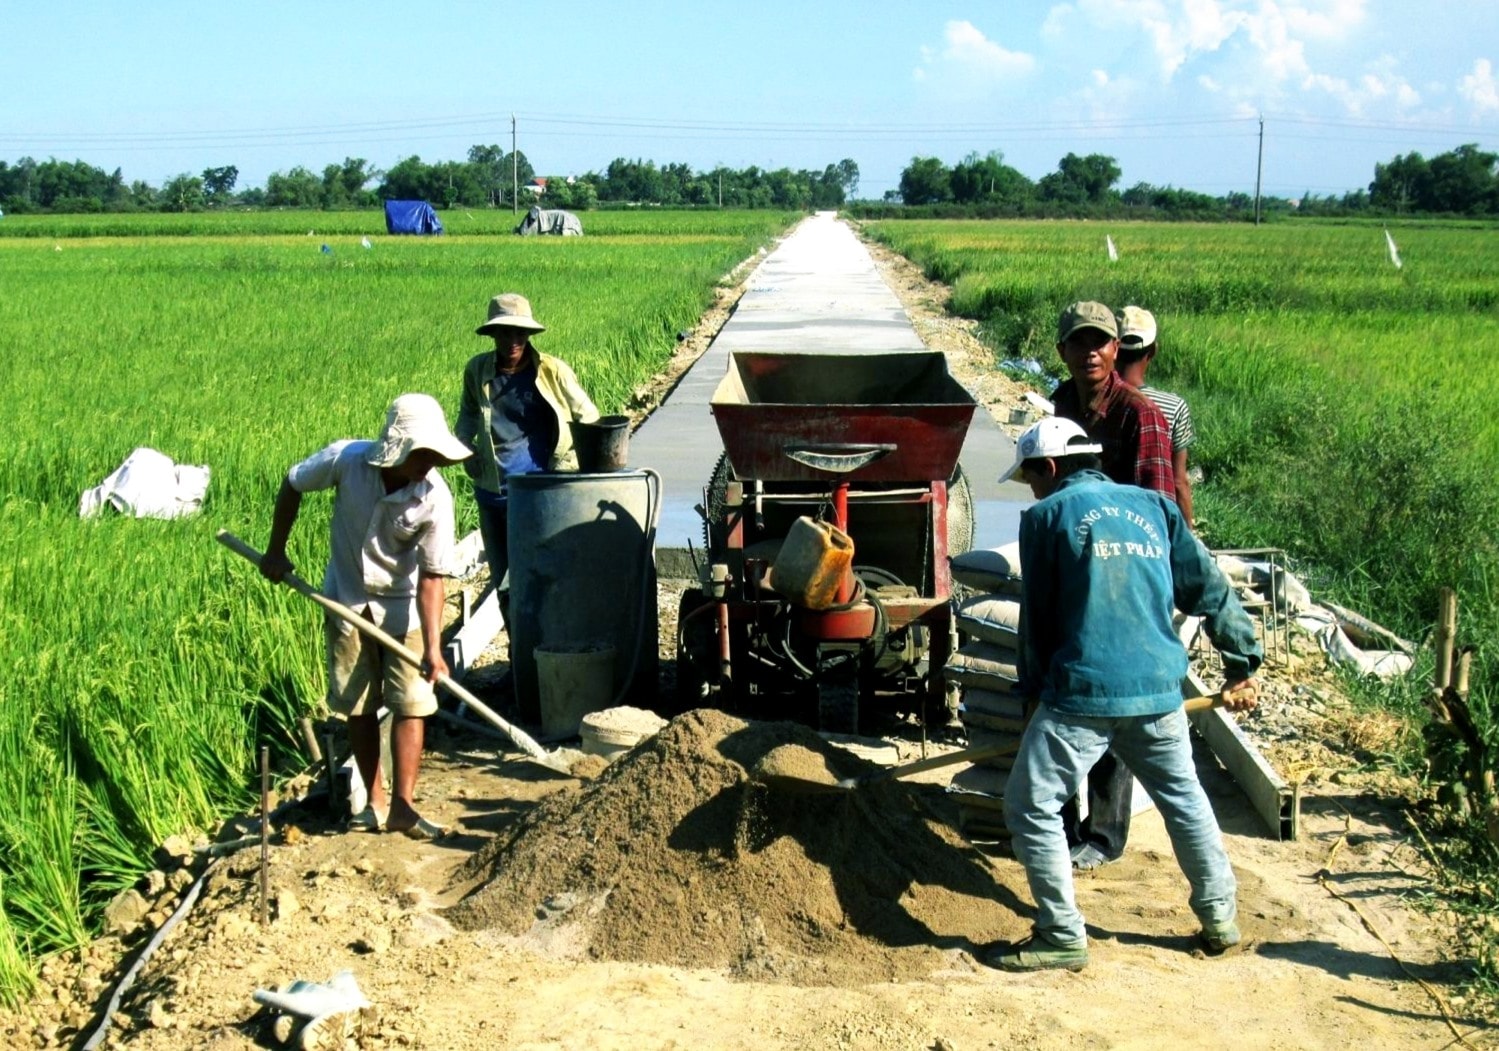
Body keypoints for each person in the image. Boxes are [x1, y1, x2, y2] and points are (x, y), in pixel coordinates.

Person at [987, 416, 1262, 972]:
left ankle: (1061, 935)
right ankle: (1219, 918)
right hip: (1160, 690)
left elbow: (1037, 621)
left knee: (1029, 805)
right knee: (1184, 799)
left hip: (1082, 694)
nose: (1032, 489)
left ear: (1049, 467)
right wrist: (1242, 664)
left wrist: (1033, 694)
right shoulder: (1155, 508)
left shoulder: (1045, 517)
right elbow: (1209, 587)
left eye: (1032, 477)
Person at [261, 393, 470, 839]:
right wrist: (276, 551)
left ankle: (403, 807)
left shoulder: (435, 497)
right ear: (397, 448)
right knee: (358, 704)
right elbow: (292, 483)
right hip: (348, 598)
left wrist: (434, 646)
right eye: (422, 453)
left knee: (412, 704)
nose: (430, 463)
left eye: (435, 454)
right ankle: (372, 803)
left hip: (403, 606)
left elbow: (433, 577)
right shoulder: (346, 462)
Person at [1050, 301, 1179, 871]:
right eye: (1079, 343)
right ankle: (1061, 818)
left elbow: (1158, 508)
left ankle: (1103, 835)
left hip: (1125, 562)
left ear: (1116, 349)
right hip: (1078, 559)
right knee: (1065, 684)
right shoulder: (1061, 402)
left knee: (1113, 691)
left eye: (1100, 343)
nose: (1091, 354)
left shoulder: (1140, 416)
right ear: (1064, 351)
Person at [455, 293, 599, 627]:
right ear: (493, 335)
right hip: (493, 492)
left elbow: (588, 417)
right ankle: (517, 654)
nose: (513, 341)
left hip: (539, 493)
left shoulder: (551, 371)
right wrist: (463, 448)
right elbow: (466, 415)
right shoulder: (477, 370)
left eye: (520, 333)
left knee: (545, 575)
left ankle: (548, 645)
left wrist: (577, 465)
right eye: (505, 333)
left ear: (529, 336)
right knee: (504, 582)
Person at [1116, 305, 1196, 528]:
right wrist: (1187, 536)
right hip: (1150, 520)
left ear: (1113, 347)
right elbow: (1179, 482)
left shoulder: (1095, 397)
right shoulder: (1173, 407)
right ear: (1152, 351)